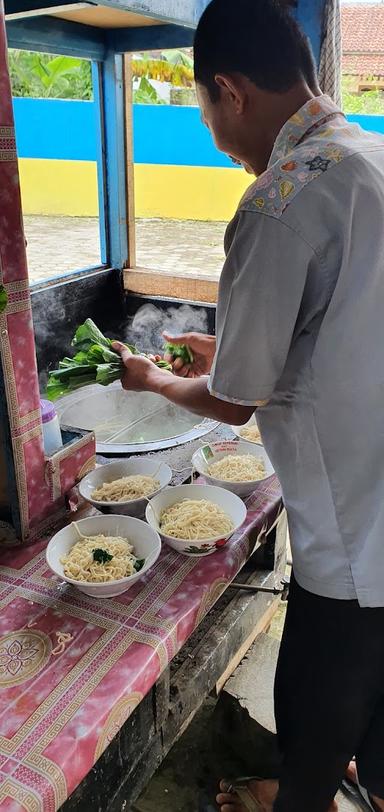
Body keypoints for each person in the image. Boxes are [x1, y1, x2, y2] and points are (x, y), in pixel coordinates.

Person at [113, 0, 384, 809]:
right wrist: (230, 345)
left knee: (316, 693)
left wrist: (155, 380)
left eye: (201, 107)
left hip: (356, 528)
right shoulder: (366, 157)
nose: (209, 129)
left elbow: (233, 402)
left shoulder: (277, 199)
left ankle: (292, 795)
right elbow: (340, 316)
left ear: (227, 91)